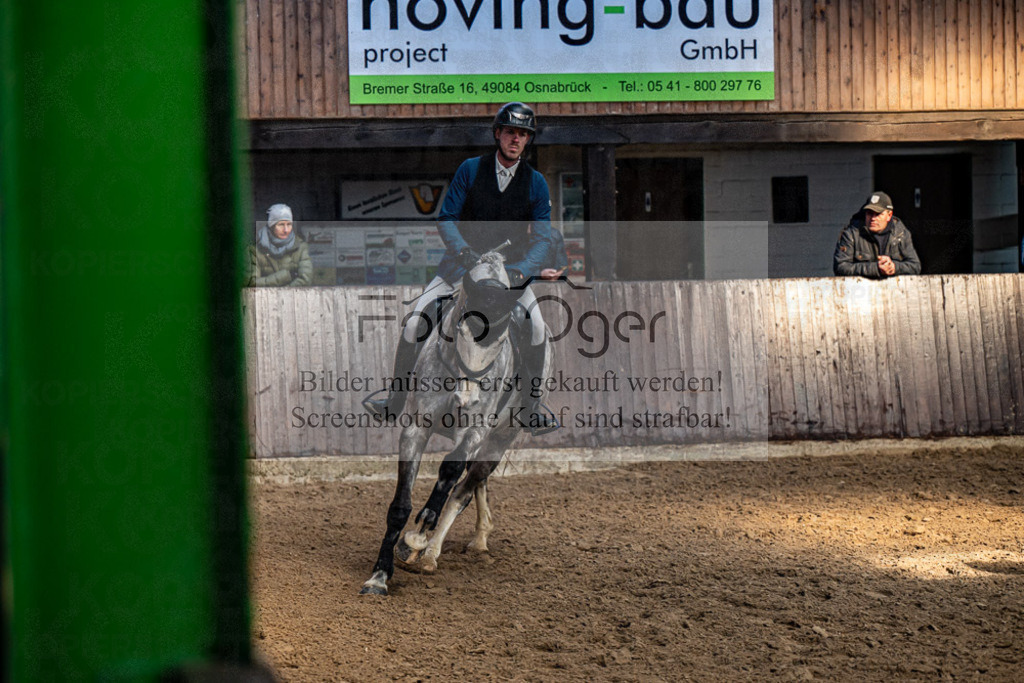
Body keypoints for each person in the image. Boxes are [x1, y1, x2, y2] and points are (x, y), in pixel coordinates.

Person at [365, 102, 556, 433]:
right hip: (459, 267)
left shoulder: (536, 182)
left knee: (536, 327)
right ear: (498, 133)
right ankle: (394, 402)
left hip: (507, 275)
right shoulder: (470, 169)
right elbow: (447, 218)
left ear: (528, 140)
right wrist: (464, 252)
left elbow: (542, 240)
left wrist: (520, 270)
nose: (516, 139)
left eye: (523, 134)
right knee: (414, 322)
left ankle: (531, 409)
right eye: (510, 132)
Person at [833, 191, 921, 278]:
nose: (873, 218)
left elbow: (915, 266)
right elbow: (840, 267)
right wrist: (875, 268)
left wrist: (894, 267)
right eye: (869, 213)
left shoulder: (901, 234)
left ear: (889, 215)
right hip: (861, 290)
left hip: (894, 290)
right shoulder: (851, 234)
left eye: (878, 214)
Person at [247, 203, 312, 286]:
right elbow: (252, 282)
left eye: (289, 224)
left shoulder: (301, 247)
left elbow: (305, 280)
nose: (286, 230)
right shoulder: (254, 250)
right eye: (281, 224)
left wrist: (283, 294)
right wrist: (284, 276)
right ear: (271, 226)